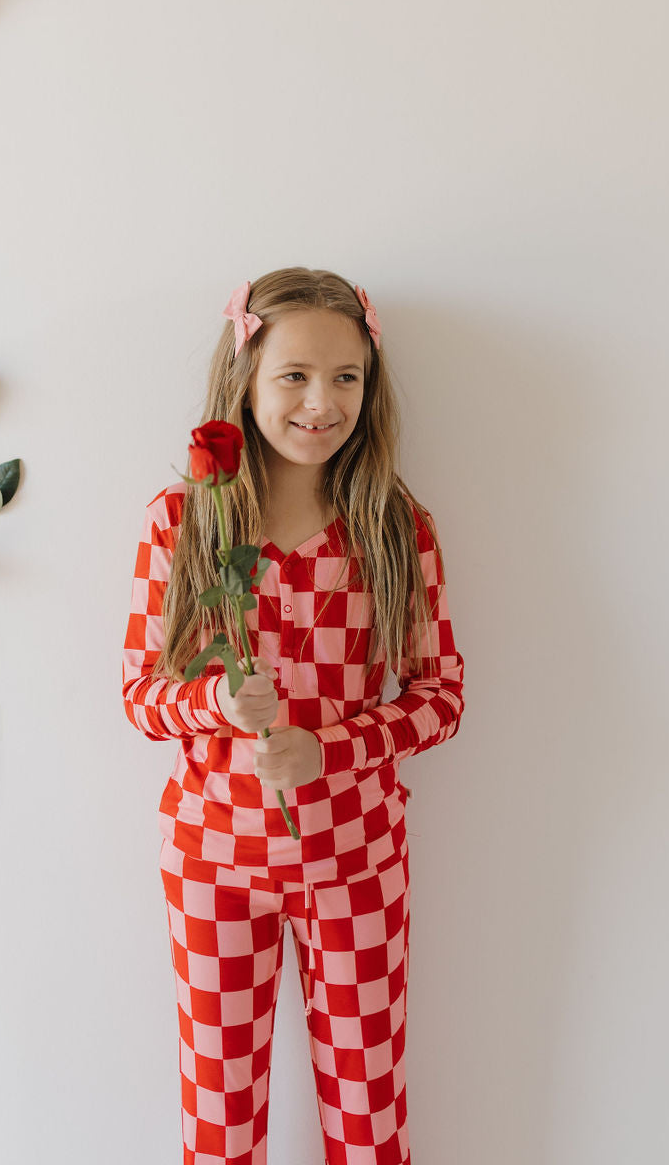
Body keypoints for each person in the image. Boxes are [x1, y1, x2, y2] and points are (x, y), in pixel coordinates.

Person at [122, 267, 464, 1165]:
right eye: (296, 376)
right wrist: (215, 703)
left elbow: (441, 697)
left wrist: (334, 749)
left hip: (357, 864)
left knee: (368, 1112)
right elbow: (140, 699)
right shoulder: (183, 525)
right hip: (215, 864)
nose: (322, 402)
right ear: (246, 378)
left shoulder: (396, 528)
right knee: (221, 1118)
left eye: (347, 377)